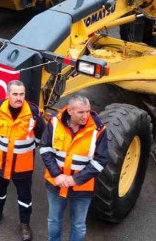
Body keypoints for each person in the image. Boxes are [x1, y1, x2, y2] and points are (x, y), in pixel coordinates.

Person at [0, 80, 46, 241]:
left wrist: (30, 147)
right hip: (0, 163)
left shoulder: (33, 113)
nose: (19, 97)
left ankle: (25, 224)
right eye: (15, 94)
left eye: (21, 94)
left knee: (24, 197)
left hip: (22, 166)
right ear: (8, 94)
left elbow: (41, 134)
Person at [40, 94, 108, 241]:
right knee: (54, 220)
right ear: (70, 111)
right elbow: (45, 149)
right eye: (81, 112)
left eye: (88, 111)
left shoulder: (99, 130)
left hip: (82, 188)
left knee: (79, 225)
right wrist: (57, 175)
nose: (86, 116)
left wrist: (75, 179)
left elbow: (101, 160)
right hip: (56, 184)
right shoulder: (54, 123)